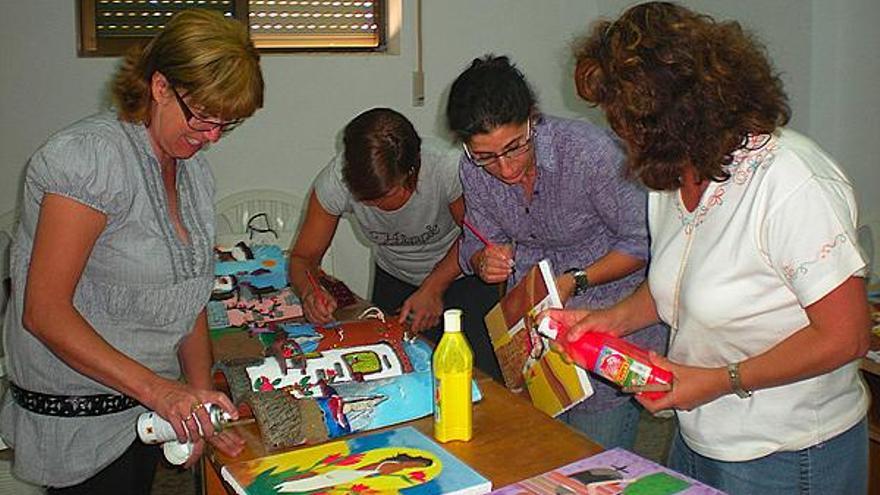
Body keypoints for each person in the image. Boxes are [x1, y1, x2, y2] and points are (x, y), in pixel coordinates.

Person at [552, 2, 872, 493]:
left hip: (789, 453)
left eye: (629, 122)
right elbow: (677, 286)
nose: (620, 135)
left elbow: (846, 336)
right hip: (699, 436)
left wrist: (717, 380)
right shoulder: (673, 174)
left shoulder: (790, 180)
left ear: (679, 112)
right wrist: (610, 320)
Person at [0, 9, 263, 493]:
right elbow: (43, 312)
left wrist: (198, 394)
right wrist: (163, 392)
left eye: (224, 127)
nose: (209, 139)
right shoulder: (88, 159)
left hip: (144, 414)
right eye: (203, 119)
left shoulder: (193, 175)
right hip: (82, 420)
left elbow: (189, 299)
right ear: (160, 86)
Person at [446, 55, 667, 450]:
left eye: (514, 148)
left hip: (608, 326)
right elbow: (478, 241)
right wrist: (484, 259)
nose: (504, 168)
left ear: (533, 119)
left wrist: (575, 280)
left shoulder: (589, 154)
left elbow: (643, 244)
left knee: (594, 461)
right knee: (540, 453)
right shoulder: (473, 168)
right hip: (535, 339)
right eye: (486, 156)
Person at [288, 108, 502, 380]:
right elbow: (302, 258)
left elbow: (475, 237)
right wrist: (309, 290)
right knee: (393, 375)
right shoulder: (335, 181)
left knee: (479, 380)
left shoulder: (446, 168)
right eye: (365, 198)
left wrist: (434, 287)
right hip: (394, 278)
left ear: (412, 171)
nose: (376, 206)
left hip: (461, 277)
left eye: (385, 195)